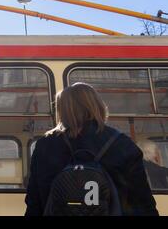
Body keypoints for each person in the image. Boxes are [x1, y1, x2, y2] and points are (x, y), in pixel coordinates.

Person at [25, 82, 158, 216]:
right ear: (98, 106)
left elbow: (34, 203)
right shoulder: (120, 143)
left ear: (61, 110)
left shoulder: (45, 145)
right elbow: (142, 201)